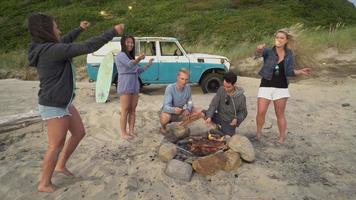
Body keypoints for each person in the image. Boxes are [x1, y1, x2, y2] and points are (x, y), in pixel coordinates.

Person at [27, 12, 124, 193]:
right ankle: (44, 183)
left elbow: (65, 40)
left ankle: (60, 166)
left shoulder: (49, 47)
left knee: (79, 133)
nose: (59, 30)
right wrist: (112, 31)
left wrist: (79, 29)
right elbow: (87, 46)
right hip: (54, 104)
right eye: (55, 27)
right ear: (46, 30)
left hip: (63, 101)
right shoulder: (51, 51)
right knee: (55, 145)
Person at [255, 28, 312, 144]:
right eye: (277, 37)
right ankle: (258, 132)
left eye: (282, 38)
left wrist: (300, 71)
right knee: (261, 111)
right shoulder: (268, 51)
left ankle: (281, 138)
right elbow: (257, 54)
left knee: (280, 114)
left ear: (286, 41)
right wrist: (258, 49)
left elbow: (290, 72)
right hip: (266, 84)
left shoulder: (290, 55)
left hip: (281, 87)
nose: (279, 40)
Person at [115, 35, 153, 140]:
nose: (130, 44)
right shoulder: (121, 55)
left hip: (134, 84)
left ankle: (131, 131)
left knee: (132, 109)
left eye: (132, 42)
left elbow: (138, 70)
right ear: (123, 43)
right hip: (125, 83)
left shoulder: (131, 57)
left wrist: (148, 65)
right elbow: (130, 65)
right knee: (125, 109)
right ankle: (123, 133)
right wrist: (139, 58)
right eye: (128, 42)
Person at [201, 71, 247, 137]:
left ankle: (221, 131)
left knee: (226, 138)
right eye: (224, 86)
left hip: (229, 121)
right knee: (203, 113)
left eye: (228, 87)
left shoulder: (241, 97)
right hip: (219, 116)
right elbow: (214, 104)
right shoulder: (221, 90)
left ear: (234, 84)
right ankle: (216, 127)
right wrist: (209, 116)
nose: (225, 89)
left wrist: (237, 119)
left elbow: (243, 112)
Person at [159, 68, 201, 133]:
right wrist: (174, 110)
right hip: (170, 112)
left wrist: (188, 109)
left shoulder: (188, 87)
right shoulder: (170, 88)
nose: (184, 82)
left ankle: (181, 126)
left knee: (199, 111)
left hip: (181, 111)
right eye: (182, 79)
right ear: (177, 77)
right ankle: (163, 127)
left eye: (186, 79)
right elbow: (165, 107)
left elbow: (190, 101)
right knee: (165, 117)